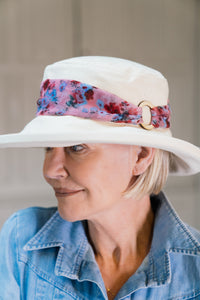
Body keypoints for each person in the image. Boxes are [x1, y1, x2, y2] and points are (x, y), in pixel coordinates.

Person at [0, 56, 200, 300]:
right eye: (48, 148)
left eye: (76, 147)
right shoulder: (22, 241)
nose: (50, 171)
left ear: (141, 156)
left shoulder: (195, 270)